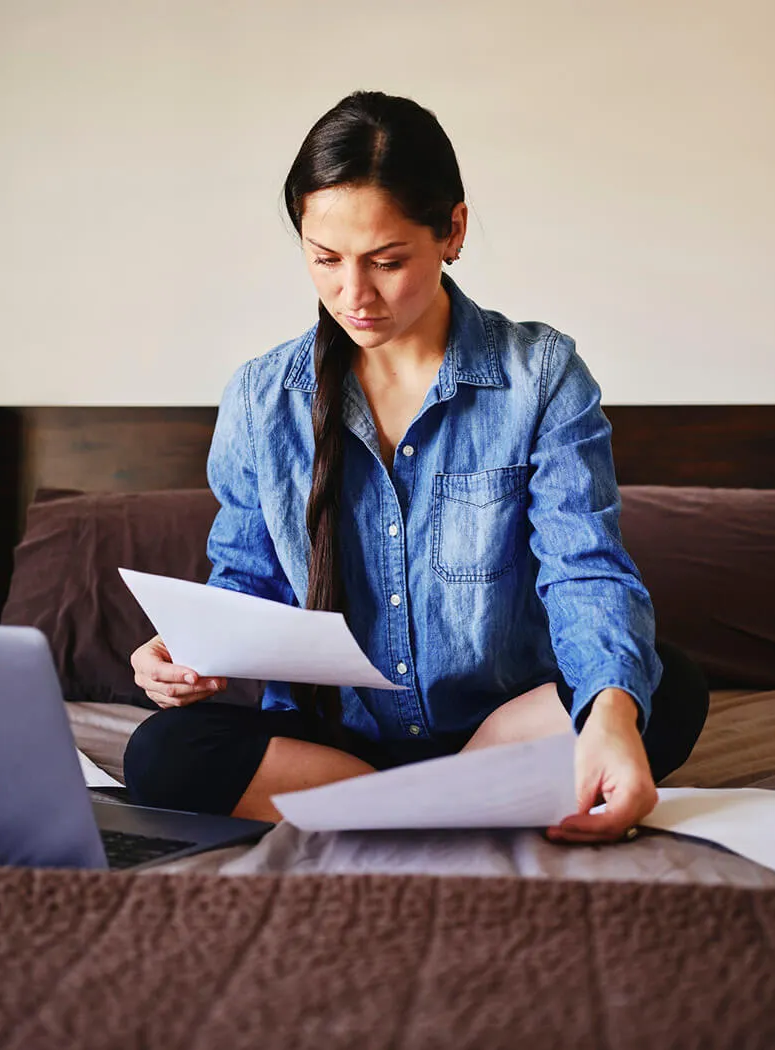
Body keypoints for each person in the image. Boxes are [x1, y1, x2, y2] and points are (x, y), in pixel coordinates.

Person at [124, 91, 708, 844]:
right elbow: (248, 585)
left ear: (452, 230)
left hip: (503, 725)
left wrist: (611, 715)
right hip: (332, 744)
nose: (354, 295)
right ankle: (452, 801)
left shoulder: (541, 375)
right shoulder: (261, 398)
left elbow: (586, 570)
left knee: (659, 683)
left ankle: (407, 802)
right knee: (159, 754)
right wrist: (188, 651)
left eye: (388, 261)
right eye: (325, 260)